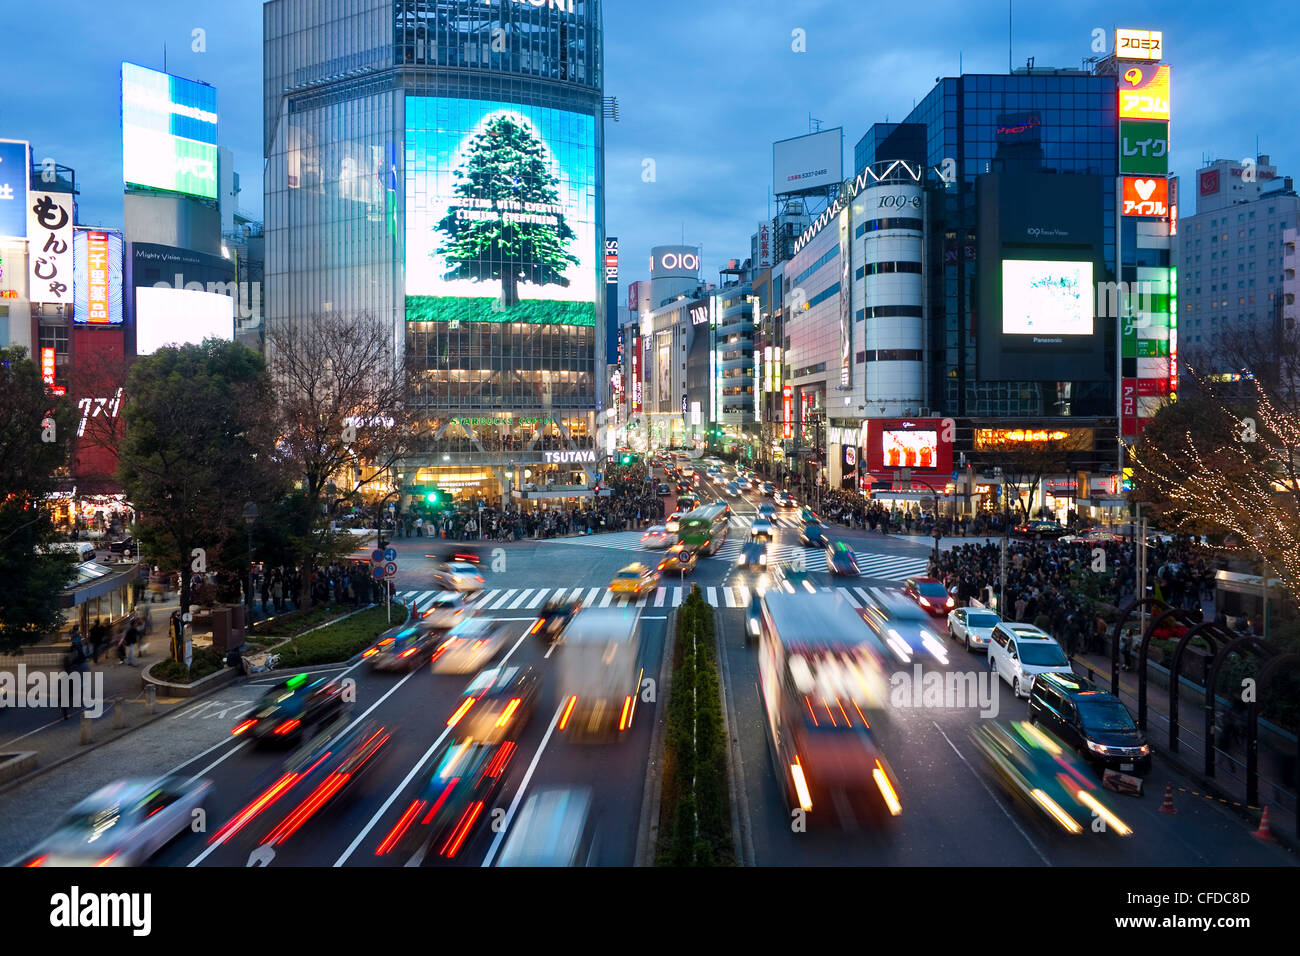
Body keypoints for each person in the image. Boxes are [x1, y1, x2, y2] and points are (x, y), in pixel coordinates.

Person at [62, 632, 89, 719]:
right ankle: (76, 700)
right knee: (78, 686)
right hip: (76, 672)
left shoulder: (75, 649)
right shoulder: (78, 648)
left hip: (71, 673)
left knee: (70, 691)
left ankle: (67, 706)